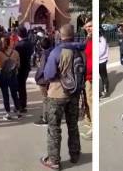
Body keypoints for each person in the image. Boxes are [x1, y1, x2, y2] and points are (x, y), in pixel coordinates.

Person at [40, 24, 83, 170]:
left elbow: (49, 75)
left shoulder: (57, 52)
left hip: (57, 94)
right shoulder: (80, 49)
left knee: (54, 128)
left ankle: (54, 160)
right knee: (73, 125)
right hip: (75, 94)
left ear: (60, 35)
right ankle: (75, 154)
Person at [0, 35, 21, 121]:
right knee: (14, 94)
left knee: (5, 95)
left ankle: (8, 113)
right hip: (13, 75)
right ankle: (18, 111)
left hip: (4, 76)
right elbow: (18, 65)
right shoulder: (15, 52)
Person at [15, 26, 34, 113]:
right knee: (22, 86)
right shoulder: (29, 43)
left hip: (20, 68)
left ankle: (21, 104)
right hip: (27, 66)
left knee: (20, 87)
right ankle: (22, 103)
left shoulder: (19, 45)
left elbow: (16, 58)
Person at [33, 37, 52, 126]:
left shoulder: (44, 54)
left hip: (44, 79)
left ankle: (46, 118)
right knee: (49, 98)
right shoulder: (52, 52)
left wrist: (36, 77)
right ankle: (48, 115)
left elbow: (42, 69)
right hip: (50, 78)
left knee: (45, 99)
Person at [82, 19, 93, 140]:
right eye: (86, 27)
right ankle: (90, 121)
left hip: (91, 76)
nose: (88, 28)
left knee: (92, 101)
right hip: (87, 76)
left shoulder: (96, 39)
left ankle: (94, 129)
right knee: (88, 100)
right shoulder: (88, 39)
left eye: (90, 26)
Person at [100, 27, 109, 98]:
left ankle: (105, 91)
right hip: (98, 61)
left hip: (102, 61)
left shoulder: (102, 39)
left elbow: (102, 51)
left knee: (103, 77)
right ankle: (102, 90)